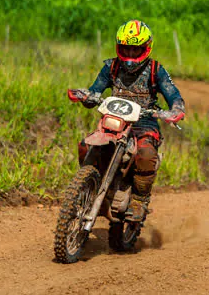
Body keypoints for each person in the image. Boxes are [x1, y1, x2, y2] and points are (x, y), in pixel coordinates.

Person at [78, 20, 185, 222]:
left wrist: (176, 109)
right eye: (126, 49)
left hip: (144, 122)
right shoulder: (111, 67)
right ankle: (86, 184)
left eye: (135, 50)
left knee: (145, 154)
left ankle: (139, 200)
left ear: (146, 48)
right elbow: (95, 90)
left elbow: (173, 94)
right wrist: (87, 96)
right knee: (85, 145)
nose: (130, 55)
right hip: (113, 120)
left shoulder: (156, 70)